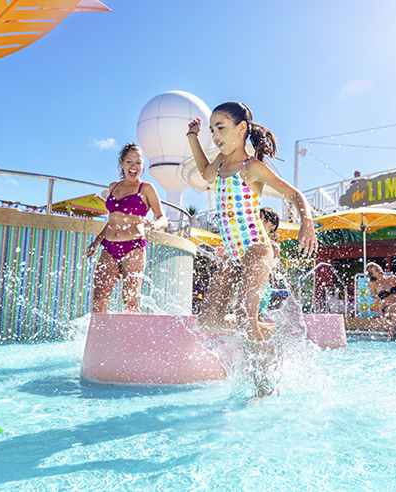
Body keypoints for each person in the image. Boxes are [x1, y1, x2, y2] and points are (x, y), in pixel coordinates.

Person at [187, 102, 317, 397]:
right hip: (233, 256)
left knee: (247, 318)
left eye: (220, 128)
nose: (215, 135)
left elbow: (293, 193)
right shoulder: (219, 163)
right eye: (212, 130)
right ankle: (271, 333)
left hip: (257, 249)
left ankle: (264, 389)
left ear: (241, 128)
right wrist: (192, 138)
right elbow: (205, 175)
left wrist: (306, 221)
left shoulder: (252, 168)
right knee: (209, 319)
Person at [87, 143, 167, 313]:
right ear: (122, 164)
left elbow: (163, 218)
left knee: (130, 300)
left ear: (142, 165)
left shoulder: (146, 188)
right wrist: (96, 241)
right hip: (109, 246)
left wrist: (154, 224)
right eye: (129, 162)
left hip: (134, 247)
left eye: (138, 163)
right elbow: (113, 219)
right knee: (99, 298)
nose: (133, 167)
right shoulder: (113, 187)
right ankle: (102, 338)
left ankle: (132, 339)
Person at [366, 262, 396, 339]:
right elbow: (376, 301)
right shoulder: (373, 285)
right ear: (372, 275)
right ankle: (392, 333)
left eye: (378, 267)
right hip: (387, 306)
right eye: (376, 270)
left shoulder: (393, 278)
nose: (379, 269)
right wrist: (379, 311)